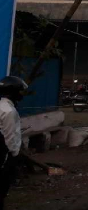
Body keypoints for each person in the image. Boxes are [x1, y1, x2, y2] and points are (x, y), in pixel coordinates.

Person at [0, 77, 28, 210]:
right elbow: (10, 137)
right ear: (13, 92)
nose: (21, 94)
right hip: (5, 156)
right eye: (20, 91)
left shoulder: (2, 106)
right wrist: (15, 155)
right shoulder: (9, 111)